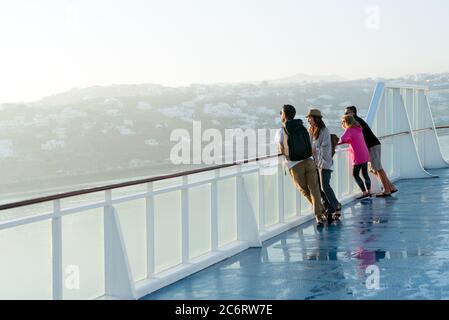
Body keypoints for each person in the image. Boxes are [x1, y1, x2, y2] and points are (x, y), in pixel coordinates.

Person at [276, 104, 327, 226]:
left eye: (281, 113)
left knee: (305, 191)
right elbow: (309, 144)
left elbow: (281, 148)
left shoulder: (282, 130)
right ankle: (320, 215)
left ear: (284, 115)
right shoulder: (302, 127)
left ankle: (320, 214)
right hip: (309, 161)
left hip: (295, 164)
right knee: (315, 190)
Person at [345, 106, 398, 197]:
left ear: (353, 113)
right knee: (374, 169)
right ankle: (390, 187)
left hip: (372, 146)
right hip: (372, 145)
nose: (345, 115)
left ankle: (387, 190)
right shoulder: (357, 121)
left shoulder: (355, 122)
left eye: (347, 113)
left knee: (378, 168)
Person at [306, 109, 342, 220]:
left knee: (325, 186)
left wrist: (314, 150)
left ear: (316, 118)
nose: (308, 120)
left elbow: (325, 147)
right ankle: (328, 209)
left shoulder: (324, 131)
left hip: (324, 163)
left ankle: (336, 206)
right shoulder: (310, 130)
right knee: (317, 188)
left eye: (310, 118)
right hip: (314, 163)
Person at [339, 115, 372, 199]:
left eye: (343, 122)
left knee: (355, 174)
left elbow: (342, 138)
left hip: (358, 155)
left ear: (346, 122)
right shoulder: (358, 128)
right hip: (365, 153)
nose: (342, 124)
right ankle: (369, 192)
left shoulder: (349, 129)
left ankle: (364, 193)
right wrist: (349, 140)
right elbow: (353, 138)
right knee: (365, 173)